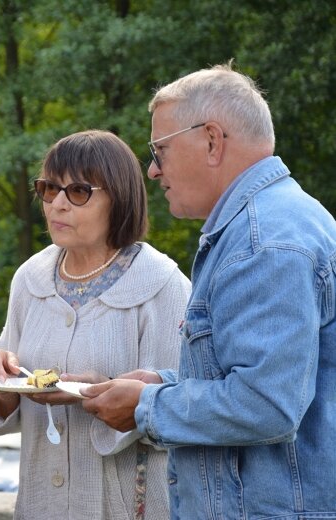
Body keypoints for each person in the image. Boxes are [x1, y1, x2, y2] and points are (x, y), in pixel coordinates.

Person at [82, 63, 336, 519]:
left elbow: (267, 404)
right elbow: (273, 383)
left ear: (212, 141)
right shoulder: (270, 226)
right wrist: (164, 383)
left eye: (160, 150)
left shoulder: (264, 243)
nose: (153, 170)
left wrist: (147, 407)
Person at [0, 130, 191, 519]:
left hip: (126, 506)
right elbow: (10, 399)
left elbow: (184, 411)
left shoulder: (161, 284)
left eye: (77, 192)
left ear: (119, 199)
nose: (57, 204)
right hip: (41, 504)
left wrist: (99, 393)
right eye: (48, 188)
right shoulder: (30, 277)